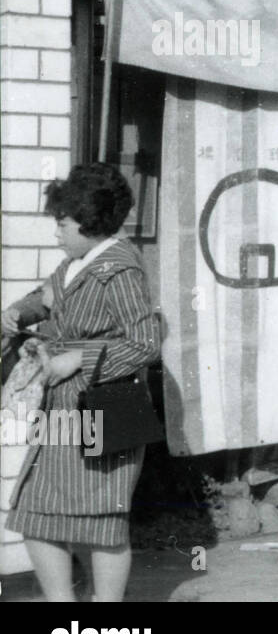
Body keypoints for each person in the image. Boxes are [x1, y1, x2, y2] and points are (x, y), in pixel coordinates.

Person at [1, 163, 161, 601]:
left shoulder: (120, 269)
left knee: (100, 522)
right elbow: (48, 296)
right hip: (62, 410)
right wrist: (21, 312)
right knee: (36, 512)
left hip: (105, 407)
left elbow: (145, 343)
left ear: (89, 222)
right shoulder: (77, 263)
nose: (56, 232)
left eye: (62, 223)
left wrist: (80, 357)